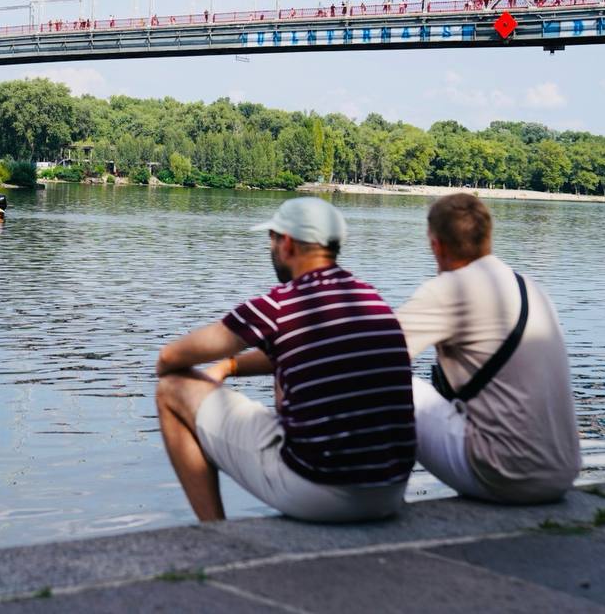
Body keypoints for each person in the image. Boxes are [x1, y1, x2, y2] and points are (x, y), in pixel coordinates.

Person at [155, 198, 414, 523]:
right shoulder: (373, 300)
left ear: (287, 243)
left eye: (272, 239)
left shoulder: (278, 306)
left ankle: (214, 531)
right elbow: (304, 348)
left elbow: (169, 357)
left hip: (318, 493)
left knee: (170, 389)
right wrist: (229, 367)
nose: (271, 248)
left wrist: (179, 373)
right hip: (390, 493)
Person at [396, 193, 580, 504]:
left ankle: (365, 492)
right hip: (562, 473)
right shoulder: (532, 288)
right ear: (487, 238)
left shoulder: (451, 289)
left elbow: (370, 354)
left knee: (392, 383)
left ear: (436, 245)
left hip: (504, 476)